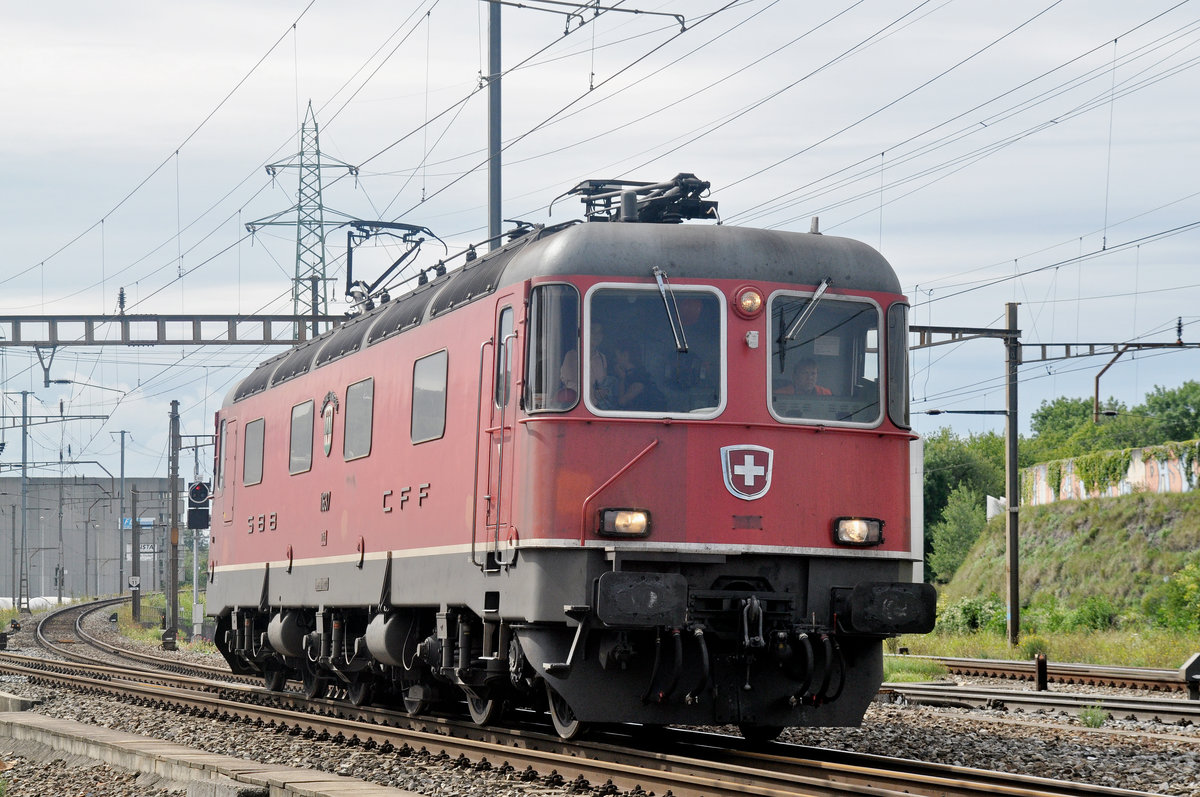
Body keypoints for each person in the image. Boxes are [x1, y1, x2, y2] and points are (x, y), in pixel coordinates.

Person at [612, 344, 666, 411]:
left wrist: (621, 379)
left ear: (625, 355)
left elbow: (621, 402)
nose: (615, 360)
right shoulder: (629, 375)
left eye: (616, 356)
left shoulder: (639, 378)